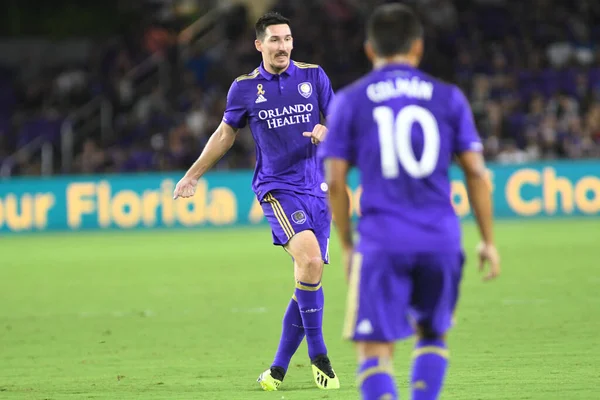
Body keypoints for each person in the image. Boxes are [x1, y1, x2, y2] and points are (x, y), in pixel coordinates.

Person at [319, 4, 500, 400]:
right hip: (441, 237)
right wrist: (487, 239)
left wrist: (348, 246)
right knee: (433, 333)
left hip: (383, 240)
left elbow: (334, 182)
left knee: (374, 352)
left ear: (370, 50)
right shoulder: (448, 97)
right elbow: (475, 172)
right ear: (418, 47)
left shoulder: (350, 101)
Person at [172, 11, 340, 392]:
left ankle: (277, 370)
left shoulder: (314, 76)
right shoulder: (245, 88)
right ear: (259, 45)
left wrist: (328, 130)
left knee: (308, 278)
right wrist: (193, 174)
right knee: (310, 260)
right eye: (275, 40)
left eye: (287, 39)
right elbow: (224, 134)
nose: (282, 46)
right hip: (278, 188)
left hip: (318, 190)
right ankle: (320, 355)